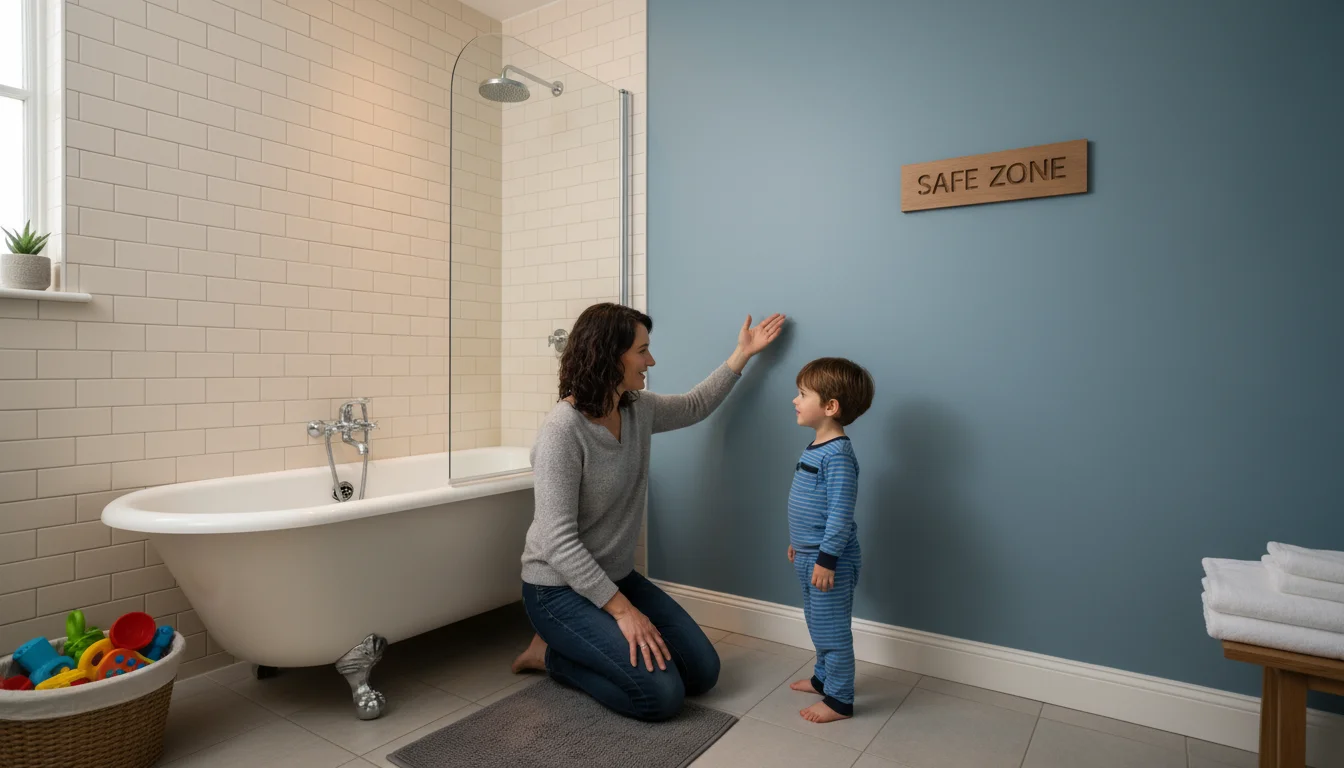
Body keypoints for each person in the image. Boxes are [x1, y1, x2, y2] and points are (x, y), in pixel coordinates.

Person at [511, 302, 786, 721]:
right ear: (609, 354)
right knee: (659, 696)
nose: (651, 360)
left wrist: (742, 354)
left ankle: (582, 644)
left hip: (615, 577)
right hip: (557, 590)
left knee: (703, 672)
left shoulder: (637, 409)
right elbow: (557, 542)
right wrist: (624, 612)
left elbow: (696, 404)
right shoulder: (561, 433)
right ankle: (549, 655)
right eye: (642, 350)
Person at [785, 357, 875, 722]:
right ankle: (824, 679)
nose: (795, 400)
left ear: (830, 407)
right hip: (809, 554)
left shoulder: (837, 455)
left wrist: (826, 559)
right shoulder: (817, 446)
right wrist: (799, 541)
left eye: (803, 394)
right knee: (816, 621)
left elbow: (839, 514)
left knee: (832, 629)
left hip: (828, 561)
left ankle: (839, 700)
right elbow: (812, 506)